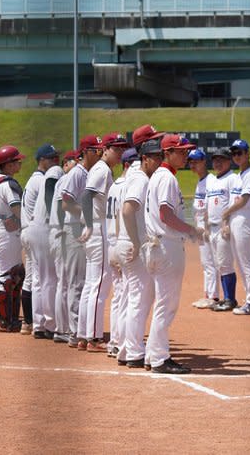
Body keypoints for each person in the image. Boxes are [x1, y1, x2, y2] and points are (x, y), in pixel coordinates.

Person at [143, 134, 203, 373]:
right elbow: (166, 215)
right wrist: (191, 231)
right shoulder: (166, 178)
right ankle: (159, 358)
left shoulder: (158, 176)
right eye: (181, 151)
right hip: (166, 247)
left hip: (157, 246)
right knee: (166, 305)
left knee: (162, 303)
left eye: (186, 151)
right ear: (167, 153)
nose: (185, 155)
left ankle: (152, 355)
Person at [77, 133, 127, 353]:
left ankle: (84, 335)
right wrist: (88, 225)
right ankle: (93, 338)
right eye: (116, 148)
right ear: (105, 149)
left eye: (122, 149)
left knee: (91, 285)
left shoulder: (100, 169)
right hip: (98, 229)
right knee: (99, 285)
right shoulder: (102, 169)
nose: (120, 153)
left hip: (96, 228)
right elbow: (86, 196)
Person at [116, 138, 163, 368]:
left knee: (134, 296)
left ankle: (126, 348)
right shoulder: (142, 180)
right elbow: (126, 210)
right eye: (155, 156)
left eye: (161, 156)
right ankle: (134, 350)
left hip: (125, 241)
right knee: (140, 298)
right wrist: (135, 242)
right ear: (144, 158)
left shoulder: (132, 176)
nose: (159, 160)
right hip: (132, 243)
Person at [61, 135, 102, 349]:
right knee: (77, 283)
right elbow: (66, 203)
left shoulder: (91, 172)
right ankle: (75, 332)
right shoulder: (77, 173)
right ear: (86, 152)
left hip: (84, 228)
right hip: (75, 229)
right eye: (96, 149)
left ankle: (81, 330)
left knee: (84, 281)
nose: (100, 152)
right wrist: (88, 214)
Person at [23, 144, 61, 339]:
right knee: (48, 279)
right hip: (42, 228)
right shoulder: (46, 178)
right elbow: (49, 199)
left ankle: (38, 323)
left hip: (31, 229)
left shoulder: (34, 179)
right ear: (42, 160)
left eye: (57, 157)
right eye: (52, 158)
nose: (56, 160)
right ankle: (50, 323)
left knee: (37, 279)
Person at [0, 145, 28, 333]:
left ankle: (10, 319)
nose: (19, 163)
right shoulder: (7, 183)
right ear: (8, 164)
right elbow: (16, 208)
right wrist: (26, 223)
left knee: (15, 275)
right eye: (16, 161)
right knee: (7, 276)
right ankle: (3, 321)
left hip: (2, 230)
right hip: (6, 233)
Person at [106, 143, 137, 357]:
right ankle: (120, 342)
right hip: (121, 241)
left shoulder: (114, 185)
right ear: (128, 164)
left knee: (119, 295)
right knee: (126, 295)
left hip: (112, 241)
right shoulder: (128, 185)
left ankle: (115, 341)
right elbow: (123, 215)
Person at [205, 147, 243, 312]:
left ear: (229, 161)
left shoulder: (232, 178)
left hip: (223, 227)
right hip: (212, 228)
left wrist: (226, 223)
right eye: (215, 159)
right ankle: (225, 298)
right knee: (219, 264)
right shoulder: (212, 180)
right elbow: (208, 206)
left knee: (226, 264)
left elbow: (233, 203)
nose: (217, 162)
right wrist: (206, 227)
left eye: (221, 159)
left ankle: (230, 299)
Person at [226, 139, 250, 314]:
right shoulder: (237, 175)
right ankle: (249, 299)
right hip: (235, 218)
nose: (237, 156)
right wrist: (227, 220)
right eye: (234, 153)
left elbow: (244, 199)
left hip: (243, 217)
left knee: (246, 261)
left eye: (240, 152)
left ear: (248, 154)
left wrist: (225, 213)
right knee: (239, 261)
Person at [48, 150, 77, 344]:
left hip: (59, 232)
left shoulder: (65, 180)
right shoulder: (66, 180)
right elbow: (61, 208)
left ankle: (62, 328)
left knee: (64, 283)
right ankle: (62, 328)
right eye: (76, 161)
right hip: (61, 232)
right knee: (65, 283)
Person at [188, 148, 221, 309]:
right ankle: (208, 294)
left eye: (196, 161)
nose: (193, 164)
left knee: (211, 263)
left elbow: (211, 207)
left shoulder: (211, 181)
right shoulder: (200, 181)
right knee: (206, 262)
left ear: (204, 162)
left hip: (209, 228)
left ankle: (213, 296)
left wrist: (206, 228)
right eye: (191, 161)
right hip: (200, 227)